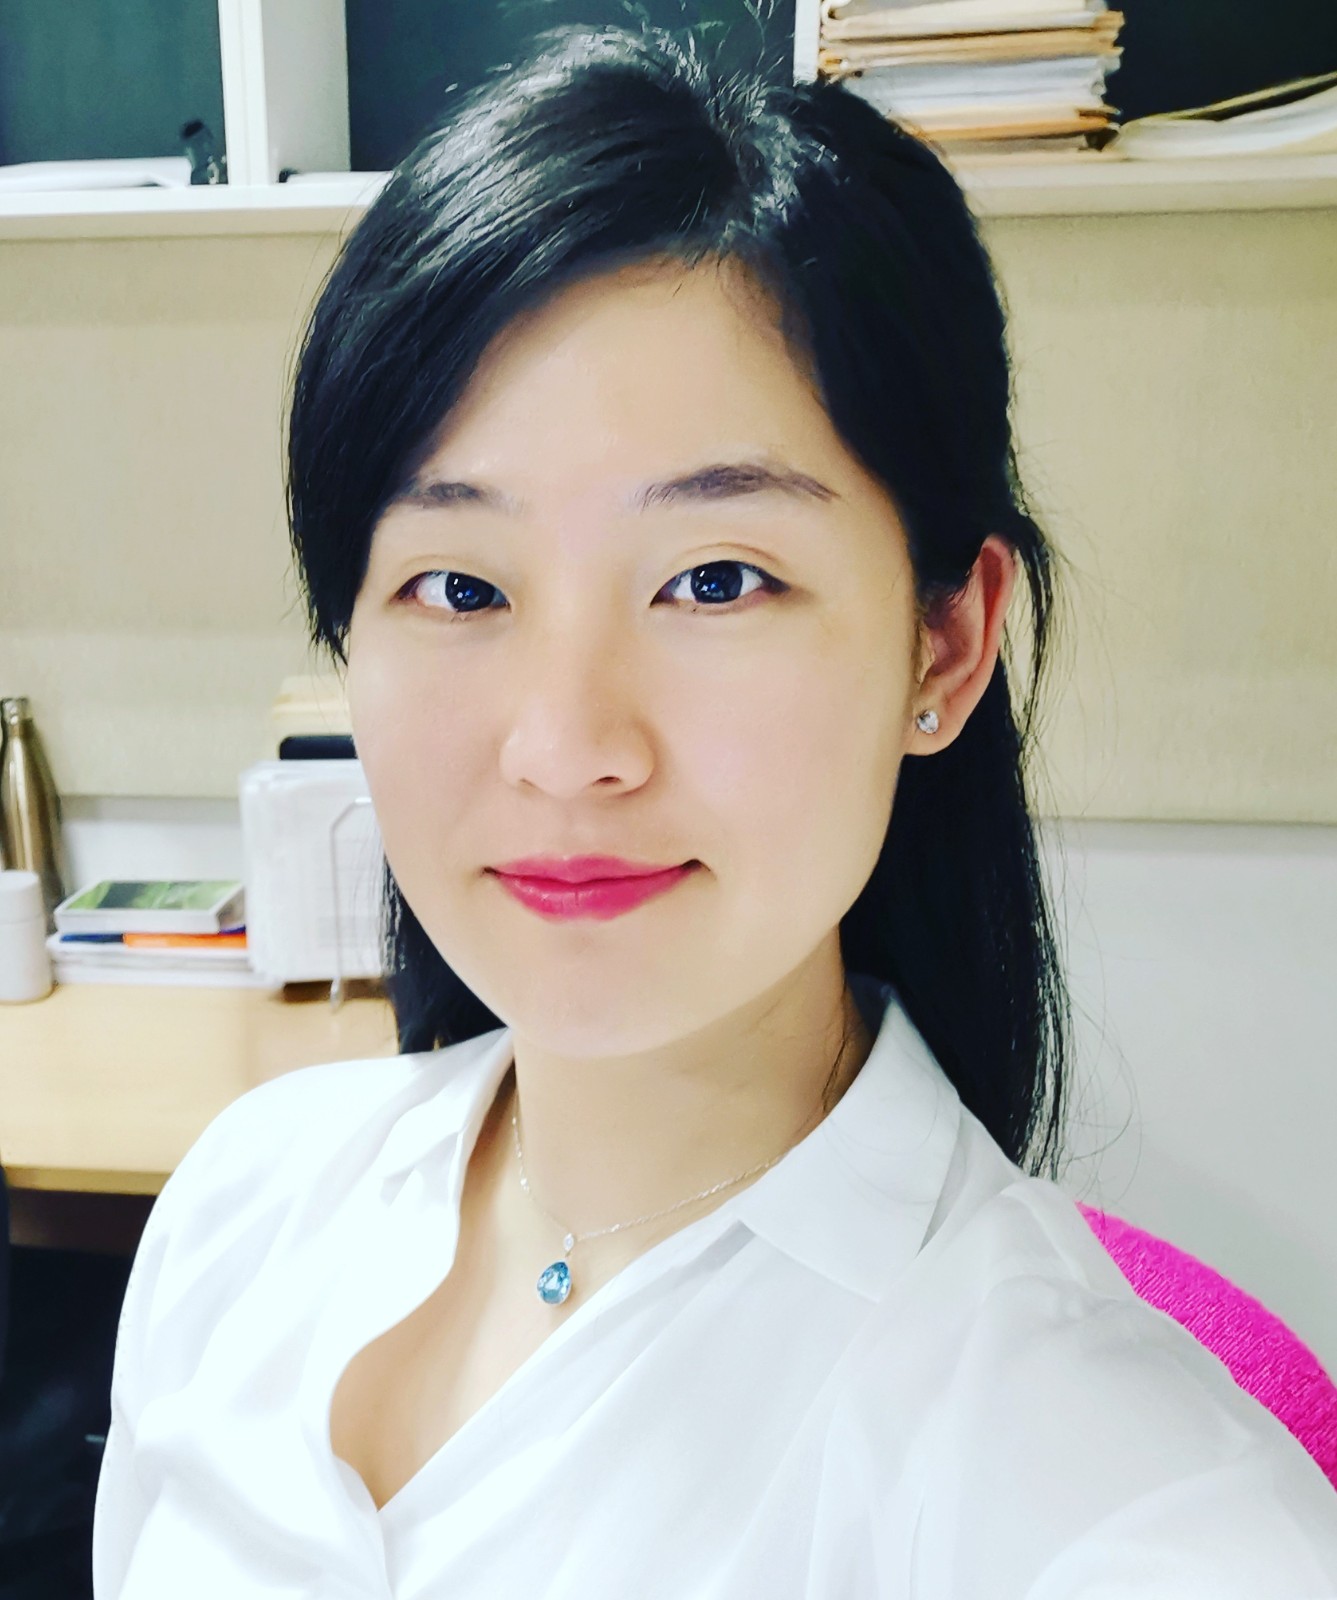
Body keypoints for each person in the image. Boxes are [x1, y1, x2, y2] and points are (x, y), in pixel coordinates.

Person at [92, 18, 1337, 1598]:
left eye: (716, 579)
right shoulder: (243, 1203)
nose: (565, 748)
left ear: (943, 646)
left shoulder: (1103, 1498)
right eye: (458, 586)